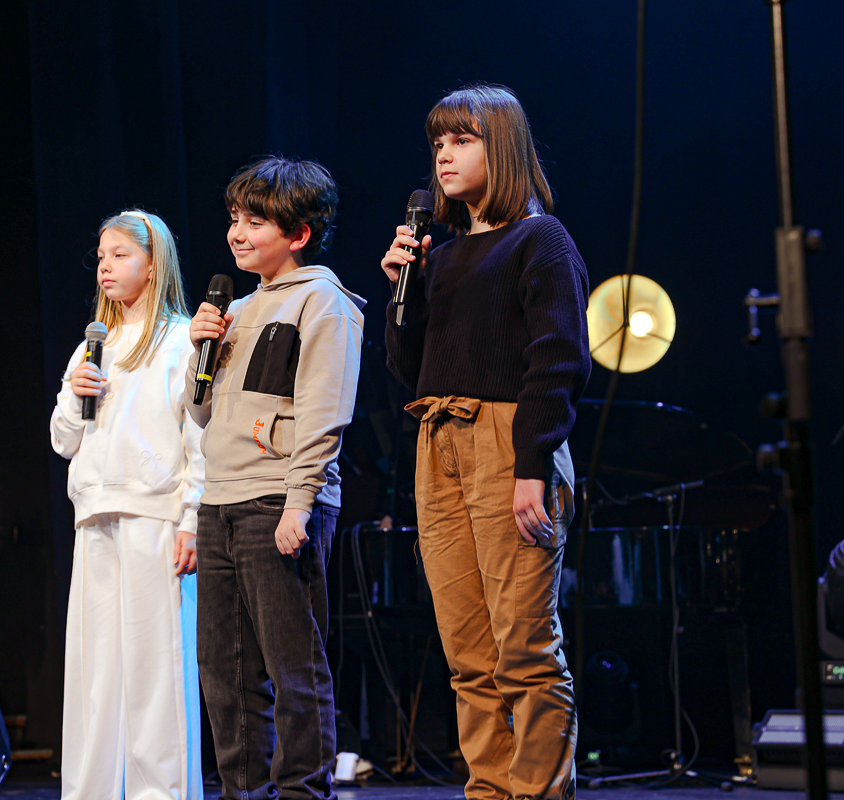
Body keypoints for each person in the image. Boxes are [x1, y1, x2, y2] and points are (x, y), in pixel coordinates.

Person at [381, 84, 591, 800]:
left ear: (500, 147)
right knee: (468, 656)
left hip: (509, 441)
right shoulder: (438, 258)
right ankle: (489, 791)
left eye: (462, 139)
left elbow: (558, 360)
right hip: (437, 440)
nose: (444, 154)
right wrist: (402, 292)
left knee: (523, 649)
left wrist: (532, 463)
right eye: (438, 142)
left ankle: (537, 793)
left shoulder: (541, 240)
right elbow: (410, 370)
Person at [187, 156, 364, 800]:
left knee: (293, 668)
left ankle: (302, 792)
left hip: (278, 500)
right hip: (221, 500)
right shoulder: (237, 308)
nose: (236, 233)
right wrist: (200, 352)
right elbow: (202, 413)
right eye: (235, 218)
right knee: (225, 673)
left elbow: (324, 410)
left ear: (299, 233)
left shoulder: (323, 302)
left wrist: (300, 502)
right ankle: (243, 792)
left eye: (254, 221)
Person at [50, 209, 206, 800]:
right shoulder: (92, 346)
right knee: (94, 675)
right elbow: (63, 440)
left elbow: (200, 436)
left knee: (155, 672)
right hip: (95, 516)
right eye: (101, 256)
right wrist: (74, 394)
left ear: (153, 264)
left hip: (154, 516)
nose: (105, 267)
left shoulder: (181, 340)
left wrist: (192, 518)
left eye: (120, 255)